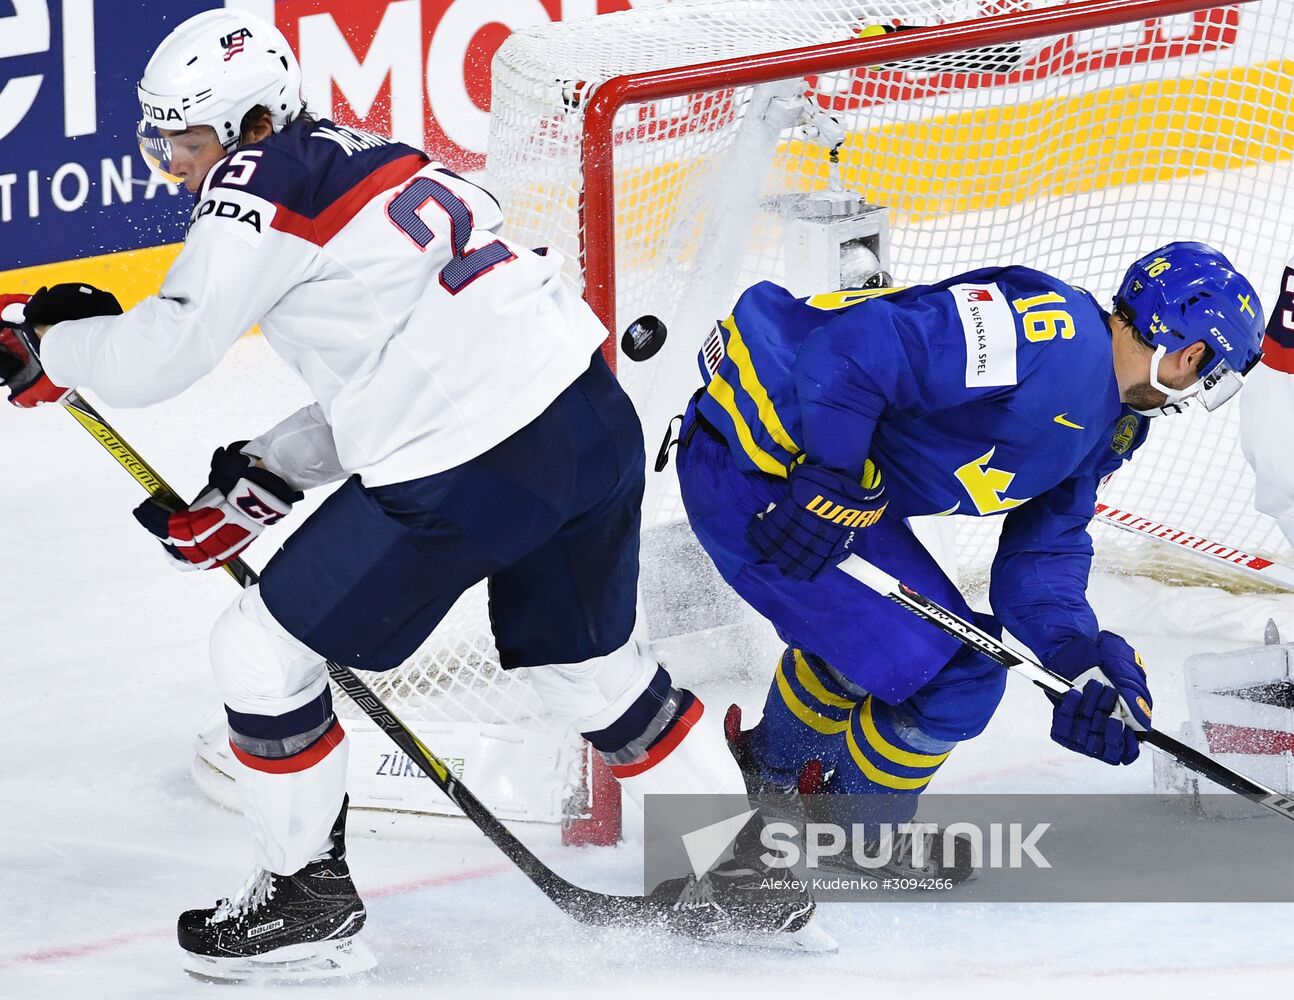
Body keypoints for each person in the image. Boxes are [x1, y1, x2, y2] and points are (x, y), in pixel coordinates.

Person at [0, 9, 820, 980]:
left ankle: (304, 904)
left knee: (259, 653)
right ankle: (750, 873)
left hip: (475, 464)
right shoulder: (373, 161)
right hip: (588, 421)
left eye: (190, 140)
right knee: (591, 674)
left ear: (254, 121)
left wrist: (54, 345)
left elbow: (165, 352)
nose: (177, 164)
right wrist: (267, 472)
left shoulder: (257, 183)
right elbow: (407, 372)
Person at [673, 242, 1265, 872]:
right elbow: (853, 349)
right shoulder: (1051, 332)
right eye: (1213, 377)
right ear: (1190, 352)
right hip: (763, 475)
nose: (1198, 396)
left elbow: (1041, 559)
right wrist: (832, 475)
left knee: (898, 643)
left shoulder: (1115, 422)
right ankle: (848, 835)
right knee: (962, 675)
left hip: (817, 488)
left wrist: (1081, 660)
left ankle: (769, 776)